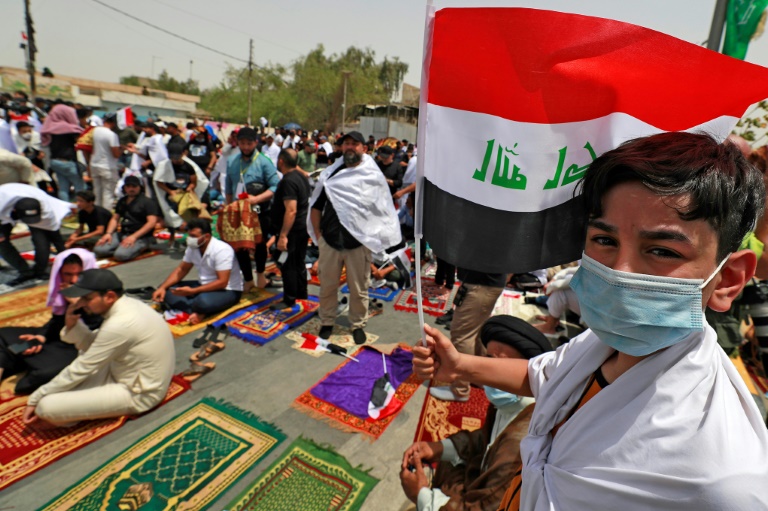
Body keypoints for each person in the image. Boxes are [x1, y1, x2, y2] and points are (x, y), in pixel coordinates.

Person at [412, 132, 768, 510]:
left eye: (662, 251)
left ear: (727, 281)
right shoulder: (600, 345)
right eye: (604, 240)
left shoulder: (720, 484)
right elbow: (545, 376)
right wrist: (461, 366)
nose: (619, 271)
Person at [401, 316, 552, 511]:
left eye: (504, 364)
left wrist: (420, 494)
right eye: (490, 360)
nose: (493, 371)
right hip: (481, 479)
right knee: (449, 465)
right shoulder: (509, 405)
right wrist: (439, 447)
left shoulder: (522, 443)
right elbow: (486, 440)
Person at [23, 269, 175, 426]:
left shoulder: (120, 324)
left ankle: (66, 416)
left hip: (140, 393)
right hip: (126, 373)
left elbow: (82, 367)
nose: (80, 303)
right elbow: (91, 347)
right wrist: (72, 324)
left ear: (109, 297)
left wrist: (36, 397)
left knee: (45, 407)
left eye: (87, 298)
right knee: (65, 382)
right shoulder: (128, 305)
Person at [308, 131, 401, 342]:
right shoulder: (331, 175)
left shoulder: (372, 177)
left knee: (359, 289)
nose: (350, 147)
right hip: (330, 241)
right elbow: (316, 207)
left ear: (364, 149)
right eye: (346, 144)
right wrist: (319, 236)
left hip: (358, 244)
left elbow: (382, 210)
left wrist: (376, 238)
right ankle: (327, 322)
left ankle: (358, 324)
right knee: (328, 286)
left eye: (355, 144)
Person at [0, 249, 100, 394]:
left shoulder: (103, 291)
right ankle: (13, 358)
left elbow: (97, 331)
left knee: (39, 376)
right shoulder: (66, 288)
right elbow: (57, 319)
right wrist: (41, 336)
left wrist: (78, 304)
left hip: (81, 346)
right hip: (57, 338)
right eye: (68, 274)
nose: (73, 280)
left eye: (79, 274)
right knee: (6, 336)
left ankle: (16, 361)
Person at [430, 271, 509, 402]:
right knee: (475, 332)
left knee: (462, 336)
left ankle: (460, 389)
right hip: (486, 282)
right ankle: (480, 377)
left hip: (481, 283)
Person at [152, 218, 243, 324]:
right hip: (202, 286)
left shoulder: (222, 250)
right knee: (168, 290)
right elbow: (182, 269)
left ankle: (201, 310)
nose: (190, 239)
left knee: (202, 302)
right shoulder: (193, 247)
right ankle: (199, 311)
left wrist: (193, 291)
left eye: (194, 236)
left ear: (207, 236)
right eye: (189, 235)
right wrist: (163, 287)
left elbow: (222, 282)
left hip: (227, 290)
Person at [224, 127, 280, 291]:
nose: (246, 147)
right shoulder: (232, 161)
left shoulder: (264, 161)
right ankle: (248, 279)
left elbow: (275, 186)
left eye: (249, 143)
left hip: (259, 210)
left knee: (260, 243)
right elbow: (229, 187)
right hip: (238, 210)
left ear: (256, 142)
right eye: (242, 143)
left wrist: (256, 199)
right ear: (237, 143)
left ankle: (261, 275)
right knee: (240, 245)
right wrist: (229, 207)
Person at [0, 183, 71, 286]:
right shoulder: (2, 201)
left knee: (42, 242)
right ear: (15, 211)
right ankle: (25, 272)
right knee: (2, 243)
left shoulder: (47, 210)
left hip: (36, 210)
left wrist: (68, 260)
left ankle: (39, 270)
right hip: (4, 211)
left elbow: (56, 239)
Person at [270, 148, 311, 309]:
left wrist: (283, 235)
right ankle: (301, 292)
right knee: (298, 261)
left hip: (292, 230)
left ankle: (289, 298)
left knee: (287, 264)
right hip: (301, 227)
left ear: (281, 161)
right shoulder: (301, 177)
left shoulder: (288, 181)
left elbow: (291, 209)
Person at [94, 176, 159, 261]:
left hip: (141, 236)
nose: (131, 189)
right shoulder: (122, 201)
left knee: (120, 255)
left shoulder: (148, 202)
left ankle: (144, 246)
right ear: (124, 188)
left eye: (134, 186)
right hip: (123, 233)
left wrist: (134, 237)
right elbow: (115, 219)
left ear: (140, 187)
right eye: (128, 187)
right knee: (99, 250)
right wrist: (108, 233)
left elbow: (151, 223)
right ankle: (121, 247)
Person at [152, 147, 210, 236]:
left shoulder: (188, 166)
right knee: (174, 210)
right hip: (172, 193)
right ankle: (177, 226)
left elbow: (194, 182)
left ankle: (190, 226)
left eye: (177, 157)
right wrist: (170, 191)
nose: (175, 160)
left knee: (190, 209)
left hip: (185, 192)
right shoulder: (165, 166)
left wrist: (190, 188)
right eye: (173, 157)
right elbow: (159, 181)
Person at [40, 104, 84, 201]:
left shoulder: (49, 127)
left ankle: (66, 211)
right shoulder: (69, 128)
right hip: (67, 162)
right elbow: (80, 139)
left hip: (54, 161)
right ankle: (80, 209)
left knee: (63, 187)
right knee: (80, 186)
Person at [89, 113, 122, 210]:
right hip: (107, 166)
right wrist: (121, 149)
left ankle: (96, 214)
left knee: (97, 192)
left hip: (94, 164)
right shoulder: (112, 135)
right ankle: (105, 216)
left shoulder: (95, 131)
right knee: (108, 194)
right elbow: (115, 154)